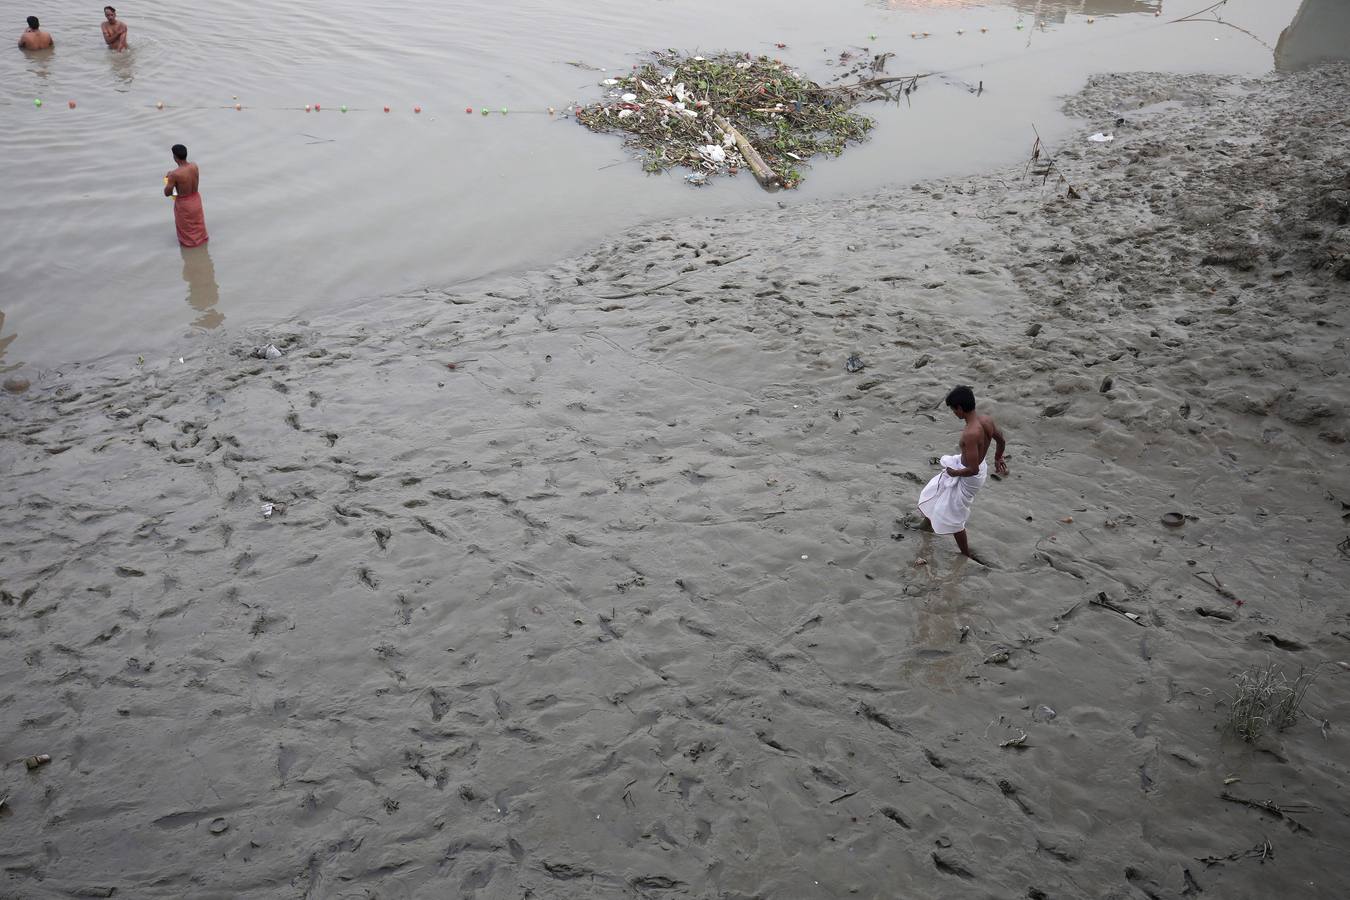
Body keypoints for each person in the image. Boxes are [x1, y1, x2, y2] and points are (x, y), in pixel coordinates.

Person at [917, 385, 1008, 558]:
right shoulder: (986, 421)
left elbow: (972, 470)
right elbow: (1001, 440)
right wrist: (998, 457)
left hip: (969, 474)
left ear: (959, 408)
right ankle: (926, 525)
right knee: (937, 490)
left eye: (953, 410)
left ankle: (965, 554)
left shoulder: (970, 434)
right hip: (973, 466)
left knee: (954, 513)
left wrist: (955, 473)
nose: (954, 414)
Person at [165, 145, 209, 247]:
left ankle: (189, 250)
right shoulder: (194, 166)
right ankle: (202, 246)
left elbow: (168, 193)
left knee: (186, 232)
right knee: (198, 225)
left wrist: (167, 179)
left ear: (175, 157)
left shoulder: (174, 174)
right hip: (196, 200)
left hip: (184, 204)